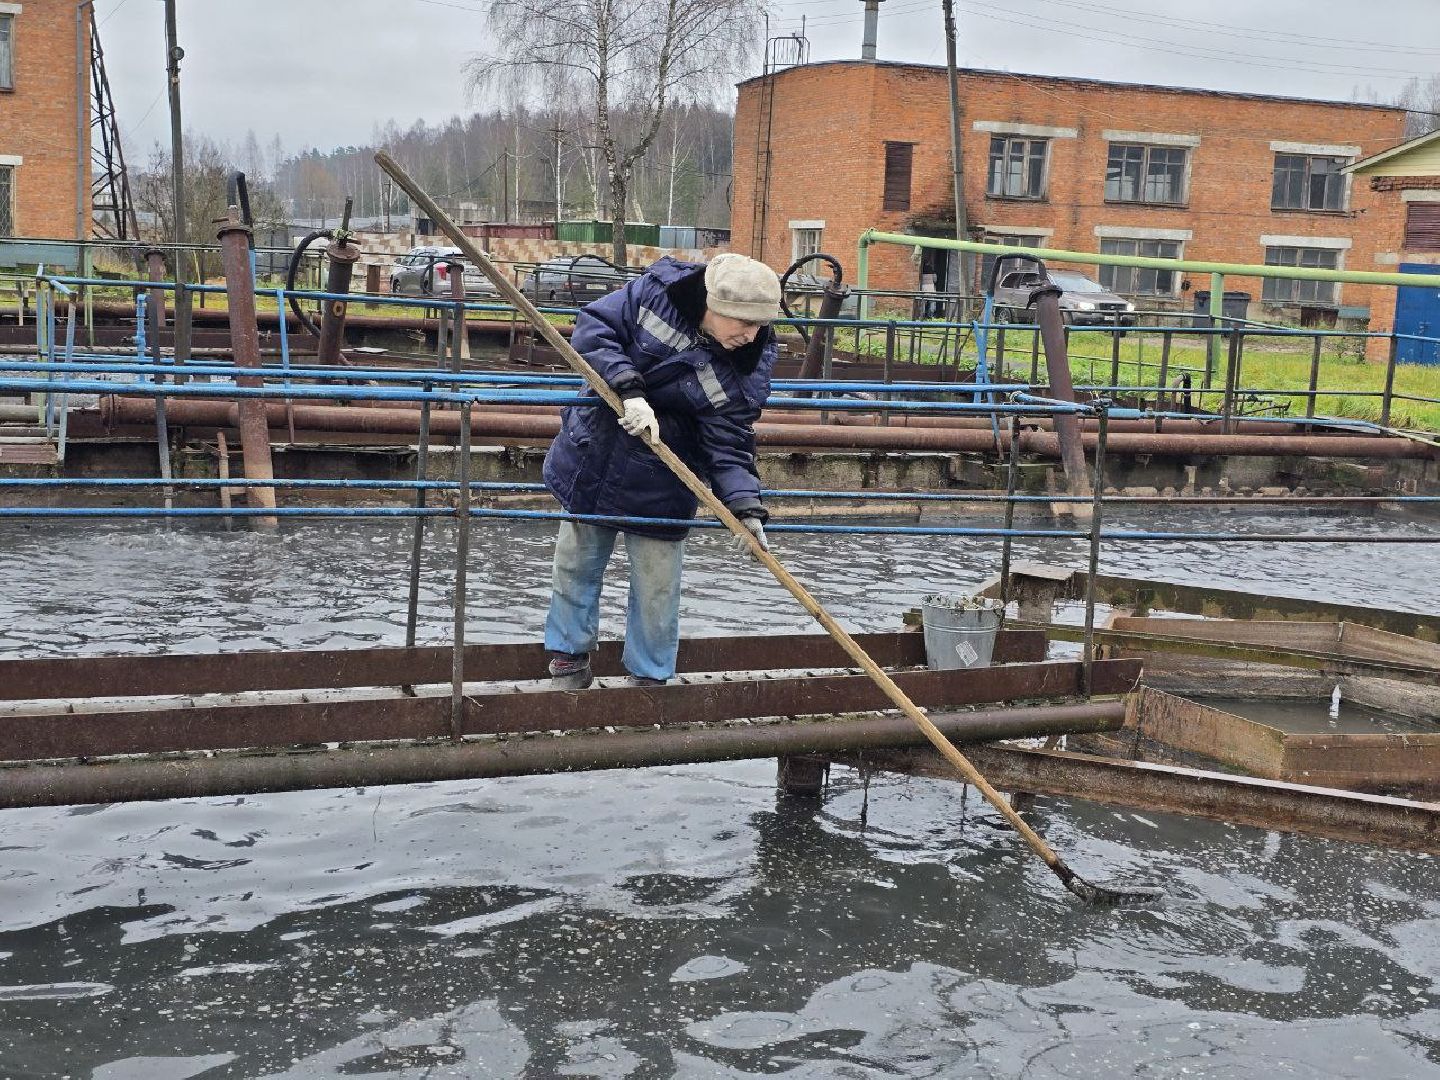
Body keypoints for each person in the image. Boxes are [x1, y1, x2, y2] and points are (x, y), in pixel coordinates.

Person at [541, 252, 783, 689]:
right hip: (597, 451)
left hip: (666, 475)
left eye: (759, 326)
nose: (750, 336)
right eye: (742, 324)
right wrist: (628, 390)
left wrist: (745, 509)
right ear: (712, 305)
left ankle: (649, 680)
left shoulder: (747, 364)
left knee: (657, 587)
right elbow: (595, 329)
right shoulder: (655, 294)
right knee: (576, 563)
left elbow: (728, 441)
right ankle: (568, 659)